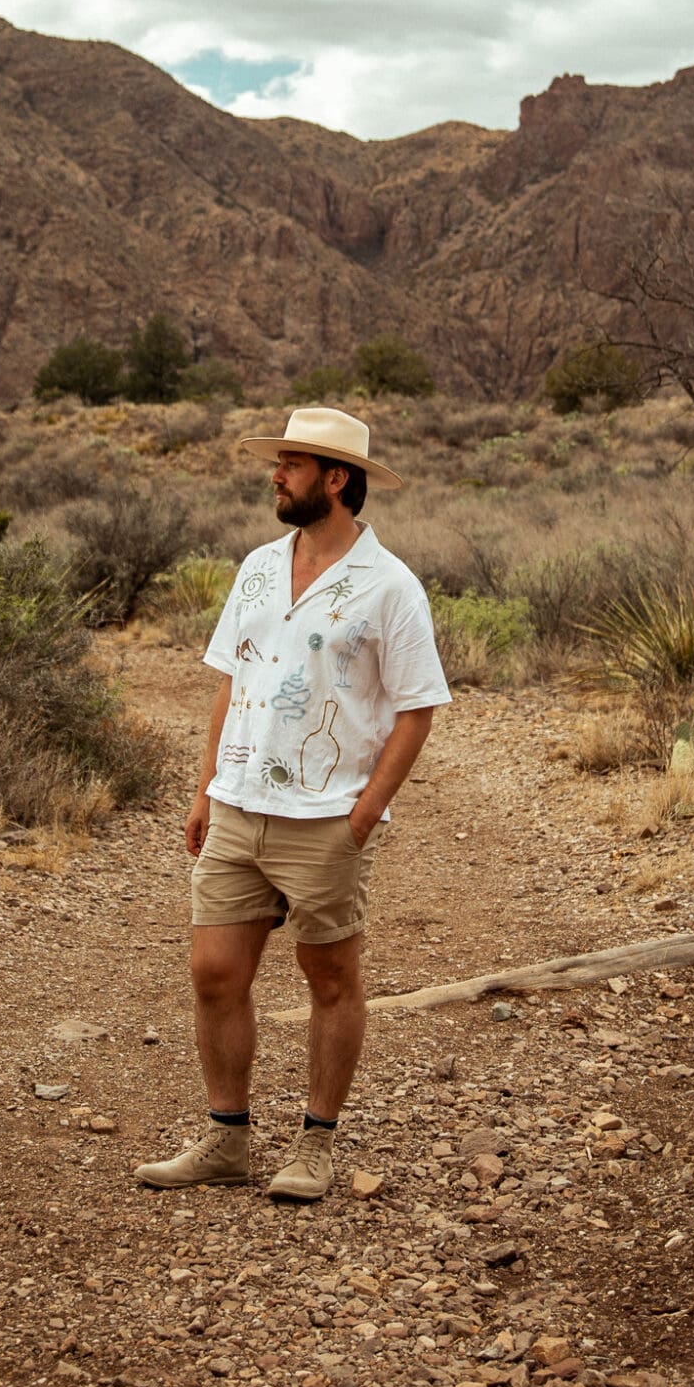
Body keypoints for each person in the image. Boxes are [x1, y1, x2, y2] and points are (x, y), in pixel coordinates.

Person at [134, 405, 450, 1202]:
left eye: (289, 465)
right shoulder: (257, 568)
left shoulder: (389, 586)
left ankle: (315, 1144)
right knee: (213, 972)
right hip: (238, 804)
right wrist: (208, 786)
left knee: (329, 974)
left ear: (333, 479)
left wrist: (366, 812)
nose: (273, 476)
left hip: (328, 815)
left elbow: (417, 708)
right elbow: (229, 680)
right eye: (277, 463)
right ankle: (225, 1140)